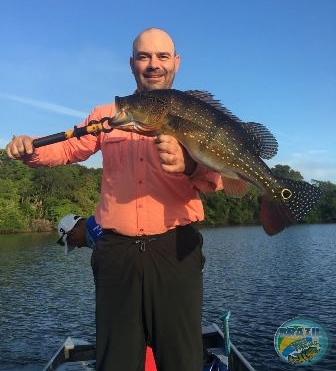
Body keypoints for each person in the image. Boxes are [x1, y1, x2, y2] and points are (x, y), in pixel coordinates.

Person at [6, 28, 222, 371]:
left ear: (176, 63)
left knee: (182, 359)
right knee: (116, 360)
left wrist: (189, 164)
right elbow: (69, 148)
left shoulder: (194, 115)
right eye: (144, 56)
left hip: (176, 249)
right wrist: (29, 149)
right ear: (132, 63)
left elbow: (213, 181)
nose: (153, 65)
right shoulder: (107, 113)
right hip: (115, 252)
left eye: (162, 56)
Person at [56, 213, 157, 371]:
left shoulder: (101, 240)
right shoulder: (102, 222)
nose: (79, 247)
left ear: (73, 232)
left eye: (73, 243)